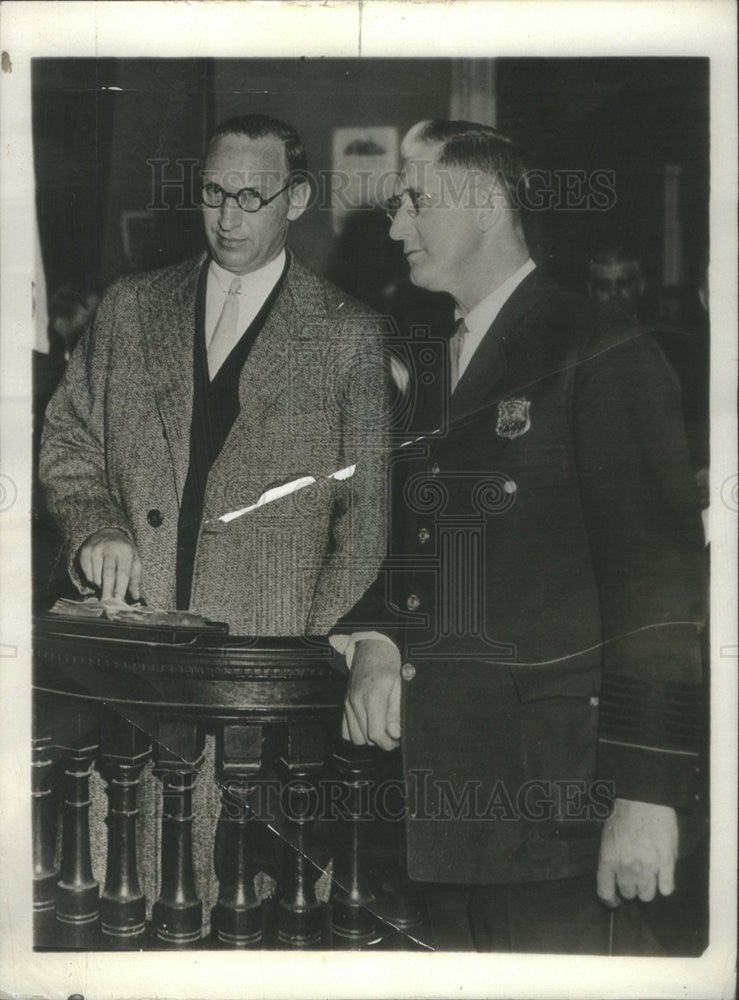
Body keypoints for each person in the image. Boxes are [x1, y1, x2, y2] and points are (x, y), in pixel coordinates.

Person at [330, 119, 707, 953]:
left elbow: (659, 591)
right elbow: (421, 549)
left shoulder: (598, 350)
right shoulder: (439, 359)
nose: (395, 228)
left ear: (489, 204)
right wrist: (380, 638)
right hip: (446, 811)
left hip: (556, 818)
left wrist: (646, 796)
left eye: (413, 202)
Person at [40, 114, 389, 636]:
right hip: (133, 647)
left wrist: (308, 651)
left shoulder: (349, 334)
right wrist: (98, 527)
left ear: (295, 199)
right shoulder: (130, 308)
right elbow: (69, 441)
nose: (227, 218)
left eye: (251, 196)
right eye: (213, 192)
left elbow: (366, 527)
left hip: (268, 663)